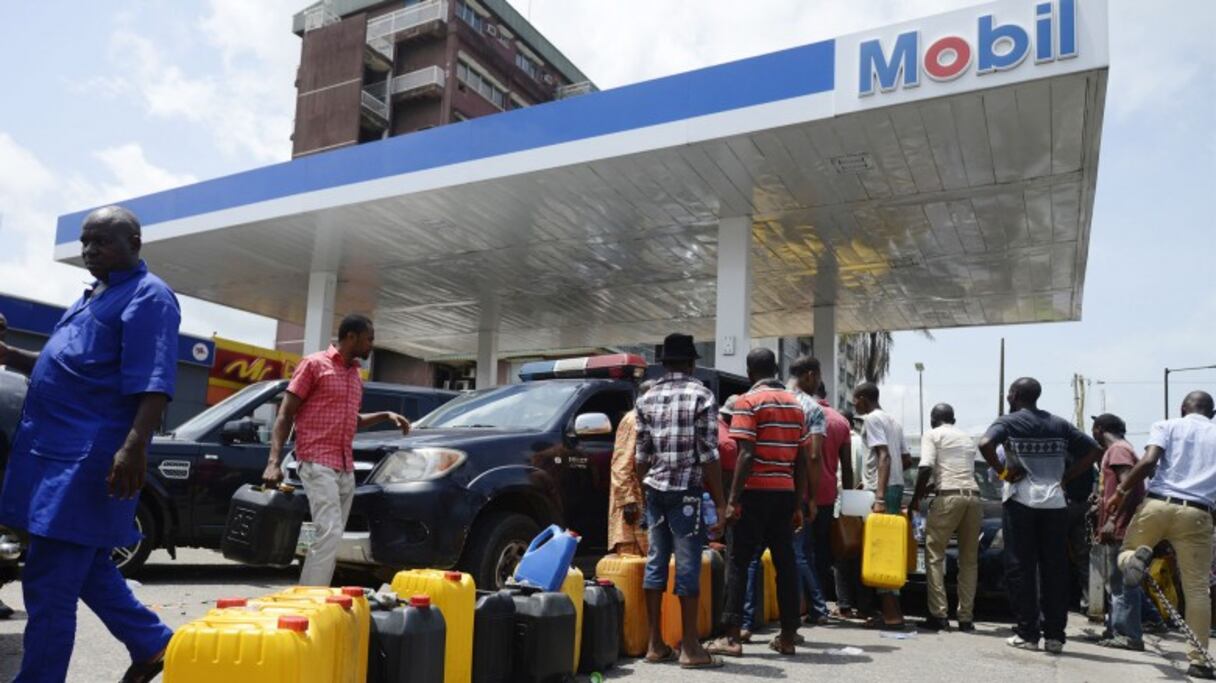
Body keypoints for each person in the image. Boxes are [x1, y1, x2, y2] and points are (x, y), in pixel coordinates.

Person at [0, 206, 180, 682]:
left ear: (133, 243)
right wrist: (8, 354)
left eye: (101, 241)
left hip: (87, 460)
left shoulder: (149, 296)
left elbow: (155, 380)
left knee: (48, 580)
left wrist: (134, 446)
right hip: (52, 453)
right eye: (85, 241)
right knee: (88, 566)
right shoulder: (93, 296)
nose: (89, 250)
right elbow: (64, 366)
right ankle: (153, 644)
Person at [262, 314, 411, 587]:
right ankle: (312, 596)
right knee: (329, 531)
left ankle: (314, 592)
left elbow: (352, 420)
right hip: (316, 461)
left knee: (332, 536)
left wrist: (385, 415)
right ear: (351, 337)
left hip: (345, 465)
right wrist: (273, 462)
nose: (372, 345)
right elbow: (285, 414)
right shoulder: (314, 364)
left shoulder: (355, 375)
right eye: (369, 339)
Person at [979, 377, 1102, 655]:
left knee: (1020, 568)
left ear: (1014, 395)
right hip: (1055, 504)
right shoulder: (1059, 424)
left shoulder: (1008, 422)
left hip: (1021, 502)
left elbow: (985, 444)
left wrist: (1003, 472)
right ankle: (1055, 636)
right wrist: (1065, 477)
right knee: (1055, 569)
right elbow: (1095, 450)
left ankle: (1028, 634)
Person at [1106, 391, 1216, 679]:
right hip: (1199, 512)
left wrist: (1120, 492)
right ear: (1213, 414)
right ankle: (1199, 661)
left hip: (1158, 504)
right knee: (1197, 589)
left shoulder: (1166, 425)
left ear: (1182, 409)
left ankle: (1136, 558)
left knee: (1126, 553)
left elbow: (1148, 462)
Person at [634, 333, 725, 669]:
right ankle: (689, 647)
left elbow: (641, 456)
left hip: (655, 490)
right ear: (690, 363)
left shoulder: (646, 397)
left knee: (656, 561)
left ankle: (654, 644)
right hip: (686, 491)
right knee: (687, 565)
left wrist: (645, 491)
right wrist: (722, 502)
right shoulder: (702, 395)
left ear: (664, 363)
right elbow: (709, 455)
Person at [708, 347, 808, 657]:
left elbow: (746, 454)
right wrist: (798, 504)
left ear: (750, 373)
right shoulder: (796, 405)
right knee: (786, 564)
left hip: (753, 493)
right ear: (776, 369)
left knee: (738, 562)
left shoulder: (747, 402)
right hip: (784, 493)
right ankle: (788, 637)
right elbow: (802, 459)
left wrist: (732, 500)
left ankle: (732, 638)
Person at [909, 403, 980, 633]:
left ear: (932, 420)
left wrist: (916, 497)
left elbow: (925, 467)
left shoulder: (932, 434)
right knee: (969, 561)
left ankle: (939, 615)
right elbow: (957, 470)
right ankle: (966, 618)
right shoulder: (967, 438)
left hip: (948, 499)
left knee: (934, 555)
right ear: (953, 420)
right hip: (973, 497)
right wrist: (934, 485)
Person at [791, 359, 851, 625]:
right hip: (826, 495)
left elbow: (812, 455)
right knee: (817, 553)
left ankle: (811, 605)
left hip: (799, 491)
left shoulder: (795, 406)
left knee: (799, 551)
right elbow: (846, 466)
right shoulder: (840, 420)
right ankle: (816, 604)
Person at [853, 381, 909, 630]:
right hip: (892, 487)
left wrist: (879, 495)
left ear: (863, 398)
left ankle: (891, 616)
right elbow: (905, 459)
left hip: (882, 491)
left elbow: (883, 456)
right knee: (889, 550)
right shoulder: (893, 421)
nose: (854, 405)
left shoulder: (873, 419)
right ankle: (892, 612)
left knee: (881, 551)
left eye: (855, 400)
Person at [1089, 413, 1145, 651]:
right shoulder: (1123, 449)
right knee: (1117, 582)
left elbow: (1127, 485)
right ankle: (1116, 629)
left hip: (1121, 526)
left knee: (1121, 583)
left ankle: (1126, 634)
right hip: (1121, 523)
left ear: (1099, 429)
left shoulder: (1118, 450)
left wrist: (1112, 519)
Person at [608, 380, 656, 555]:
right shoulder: (632, 420)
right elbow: (621, 464)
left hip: (646, 498)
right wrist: (627, 501)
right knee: (631, 558)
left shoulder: (649, 419)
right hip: (633, 502)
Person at [831, 409, 868, 620]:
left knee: (842, 555)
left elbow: (845, 472)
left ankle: (844, 605)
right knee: (861, 555)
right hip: (863, 503)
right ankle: (863, 605)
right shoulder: (863, 442)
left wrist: (843, 497)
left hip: (846, 502)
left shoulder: (846, 442)